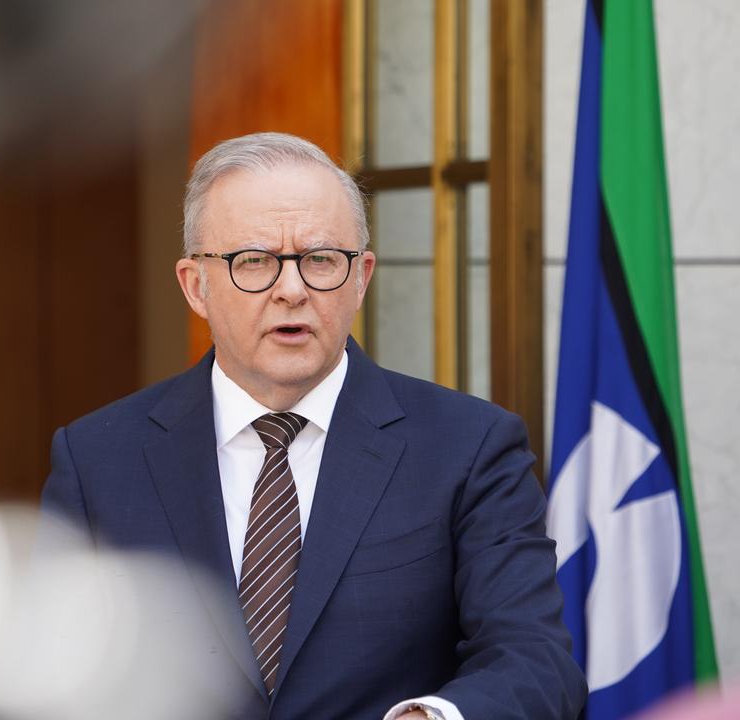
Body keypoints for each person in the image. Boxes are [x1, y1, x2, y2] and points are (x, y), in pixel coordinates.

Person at [40, 132, 586, 719]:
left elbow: (535, 660)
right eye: (254, 261)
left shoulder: (469, 447)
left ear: (362, 276)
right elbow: (46, 673)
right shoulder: (98, 460)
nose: (292, 290)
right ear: (195, 286)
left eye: (321, 260)